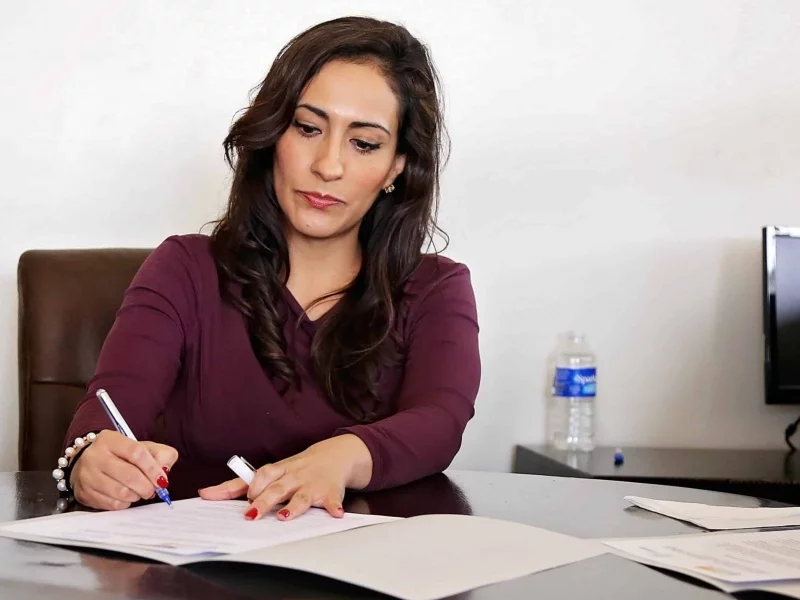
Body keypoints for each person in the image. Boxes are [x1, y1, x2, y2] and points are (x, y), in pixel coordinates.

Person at [60, 15, 481, 521]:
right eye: (308, 128)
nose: (328, 165)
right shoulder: (184, 268)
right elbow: (110, 408)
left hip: (359, 562)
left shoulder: (436, 288)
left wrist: (337, 458)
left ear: (397, 165)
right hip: (197, 562)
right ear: (274, 134)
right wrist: (91, 459)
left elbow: (440, 421)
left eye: (364, 143)